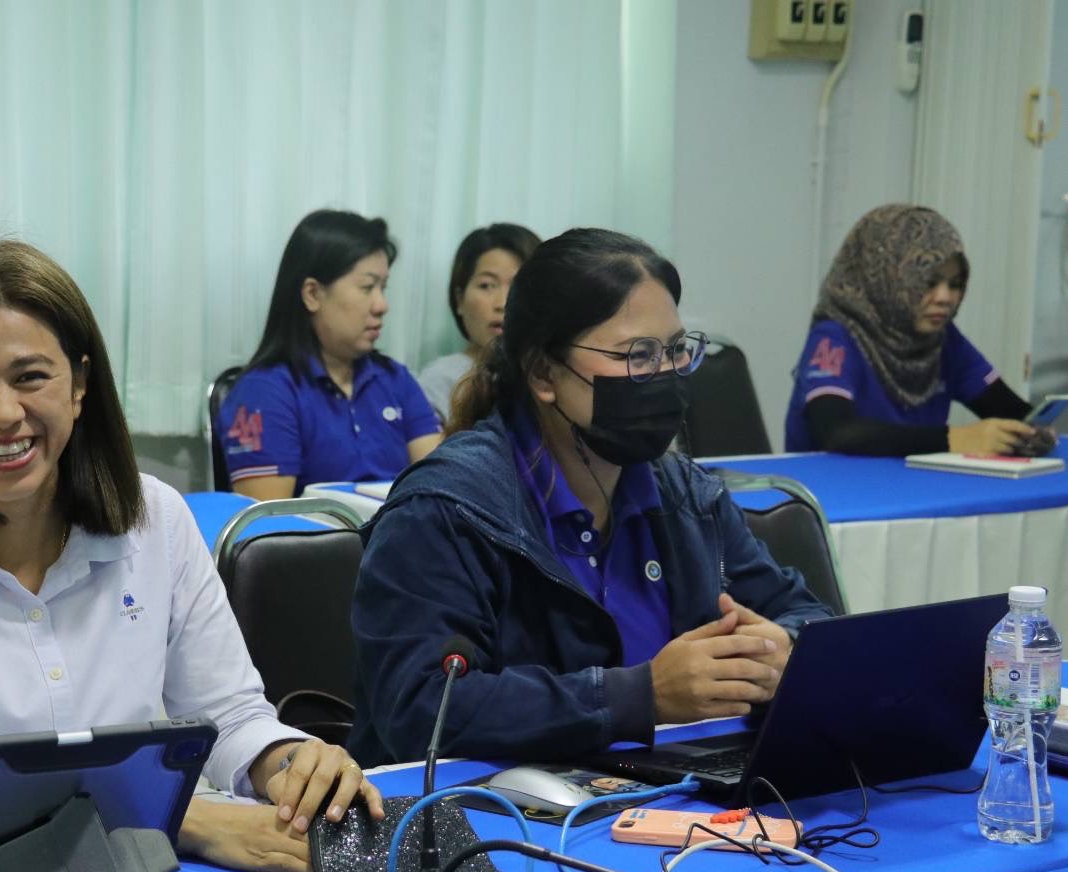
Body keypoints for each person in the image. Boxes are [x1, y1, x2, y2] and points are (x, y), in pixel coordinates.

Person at [0, 238, 381, 872]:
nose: (4, 413)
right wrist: (184, 819)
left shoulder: (156, 517)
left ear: (80, 385)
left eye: (31, 377)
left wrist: (286, 764)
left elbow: (227, 713)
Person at [348, 228, 833, 767]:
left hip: (666, 798)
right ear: (543, 373)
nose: (665, 375)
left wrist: (782, 650)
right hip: (486, 817)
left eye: (676, 351)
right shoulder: (445, 510)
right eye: (637, 355)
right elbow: (421, 710)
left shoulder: (684, 494)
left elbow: (803, 613)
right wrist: (639, 696)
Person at [783, 203, 1053, 456]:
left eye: (955, 284)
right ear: (888, 278)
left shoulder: (943, 340)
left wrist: (1033, 431)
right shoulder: (836, 336)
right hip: (831, 499)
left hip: (911, 494)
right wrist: (954, 439)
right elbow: (837, 432)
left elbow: (1008, 410)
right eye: (928, 282)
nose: (945, 298)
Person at [216, 210, 442, 499]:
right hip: (319, 542)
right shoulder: (264, 392)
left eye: (383, 288)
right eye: (367, 287)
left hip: (401, 539)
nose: (381, 305)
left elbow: (440, 485)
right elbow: (267, 525)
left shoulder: (395, 379)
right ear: (313, 294)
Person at [418, 223, 542, 422]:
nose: (502, 303)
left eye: (518, 285)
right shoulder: (439, 382)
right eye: (486, 285)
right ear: (459, 300)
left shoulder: (555, 375)